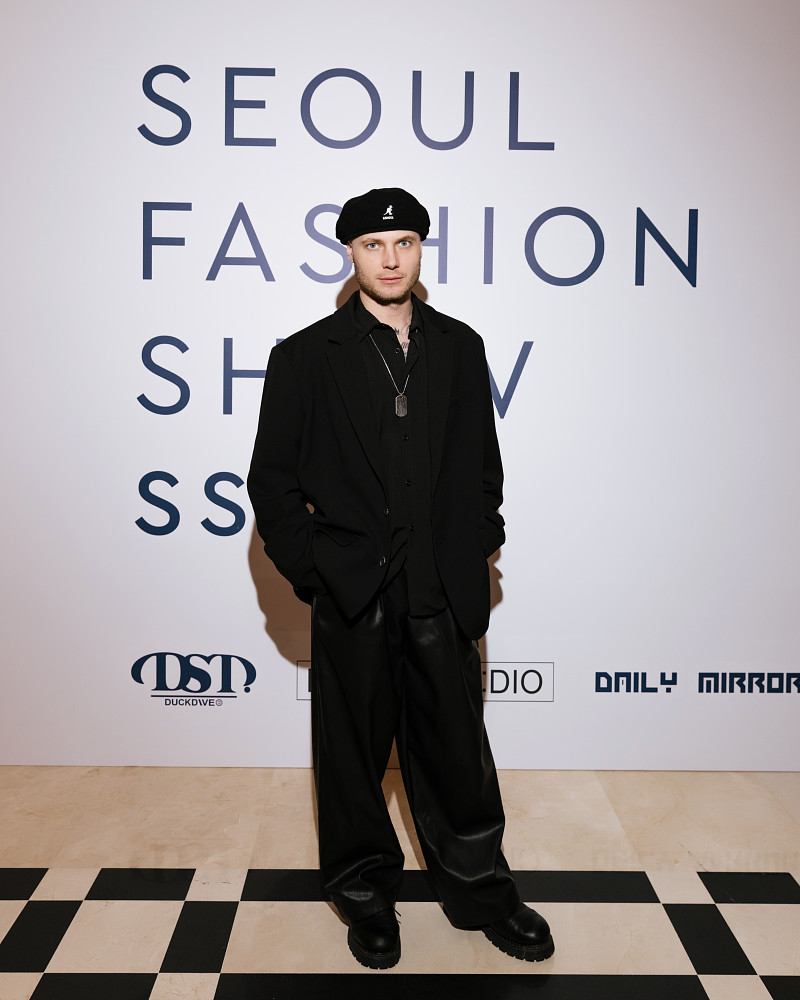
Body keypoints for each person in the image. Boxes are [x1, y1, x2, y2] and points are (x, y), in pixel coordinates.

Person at [247, 187, 554, 969]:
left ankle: (481, 892)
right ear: (350, 254)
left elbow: (482, 468)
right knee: (351, 763)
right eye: (373, 245)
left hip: (441, 590)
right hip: (353, 594)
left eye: (405, 243)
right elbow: (272, 483)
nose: (390, 259)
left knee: (458, 756)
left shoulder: (460, 346)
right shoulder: (305, 356)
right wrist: (316, 570)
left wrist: (479, 543)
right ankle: (363, 895)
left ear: (421, 250)